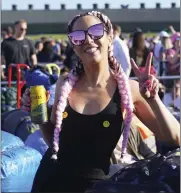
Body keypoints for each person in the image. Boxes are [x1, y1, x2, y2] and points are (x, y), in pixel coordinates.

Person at [21, 11, 180, 193]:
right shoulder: (64, 83)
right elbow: (55, 143)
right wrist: (38, 114)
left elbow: (174, 138)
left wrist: (153, 100)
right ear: (73, 45)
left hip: (95, 187)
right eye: (78, 36)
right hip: (50, 181)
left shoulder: (128, 88)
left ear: (109, 37)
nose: (88, 40)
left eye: (96, 31)